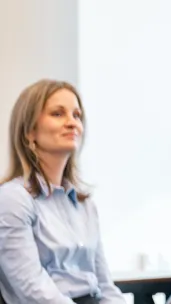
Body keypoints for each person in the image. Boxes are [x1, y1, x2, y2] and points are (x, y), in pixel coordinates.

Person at [0, 79, 125, 304]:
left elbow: (105, 285)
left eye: (77, 115)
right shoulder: (13, 198)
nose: (72, 123)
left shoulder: (85, 204)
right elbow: (32, 288)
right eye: (58, 114)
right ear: (29, 131)